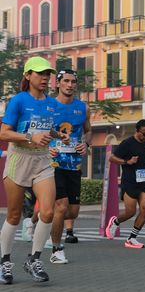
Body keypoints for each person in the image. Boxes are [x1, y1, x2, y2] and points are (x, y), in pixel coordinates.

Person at [0, 57, 69, 284]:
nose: (45, 78)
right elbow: (4, 133)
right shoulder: (18, 101)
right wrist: (31, 137)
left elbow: (45, 127)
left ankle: (34, 260)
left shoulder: (51, 104)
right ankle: (4, 262)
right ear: (28, 76)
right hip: (19, 159)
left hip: (42, 161)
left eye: (48, 74)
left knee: (48, 212)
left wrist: (58, 135)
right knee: (14, 215)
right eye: (40, 73)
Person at [48, 69, 92, 264]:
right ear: (57, 83)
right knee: (61, 206)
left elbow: (88, 131)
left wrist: (86, 143)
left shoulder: (83, 108)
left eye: (73, 82)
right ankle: (56, 249)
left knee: (72, 212)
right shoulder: (49, 105)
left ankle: (44, 217)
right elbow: (39, 130)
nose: (70, 85)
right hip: (53, 163)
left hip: (74, 165)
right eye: (65, 81)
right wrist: (46, 148)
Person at [105, 119, 145, 248]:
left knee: (144, 209)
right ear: (137, 131)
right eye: (144, 133)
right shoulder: (127, 143)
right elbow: (111, 157)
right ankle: (115, 221)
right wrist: (127, 162)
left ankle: (132, 238)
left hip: (143, 182)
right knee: (130, 212)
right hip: (129, 181)